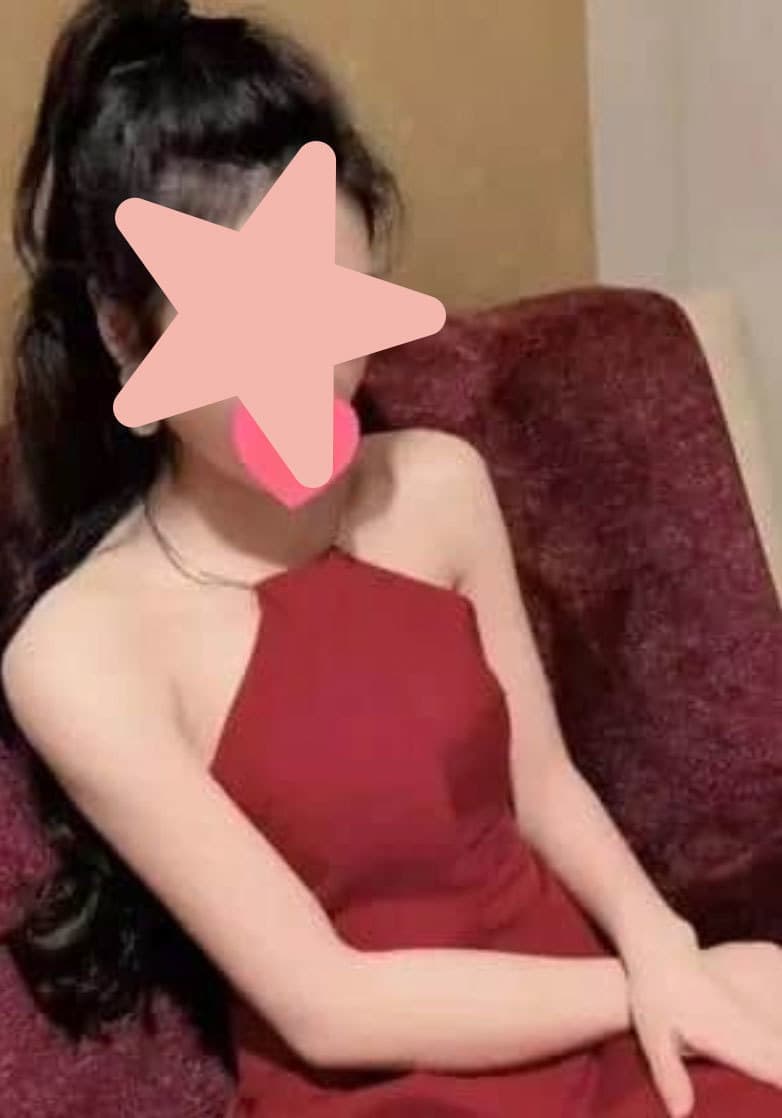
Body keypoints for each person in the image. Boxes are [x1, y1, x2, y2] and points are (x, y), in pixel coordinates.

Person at [2, 3, 782, 1116]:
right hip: (385, 1080)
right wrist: (649, 985)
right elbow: (328, 1004)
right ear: (125, 335)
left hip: (581, 1001)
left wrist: (667, 944)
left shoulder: (437, 483)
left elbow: (542, 782)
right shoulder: (77, 654)